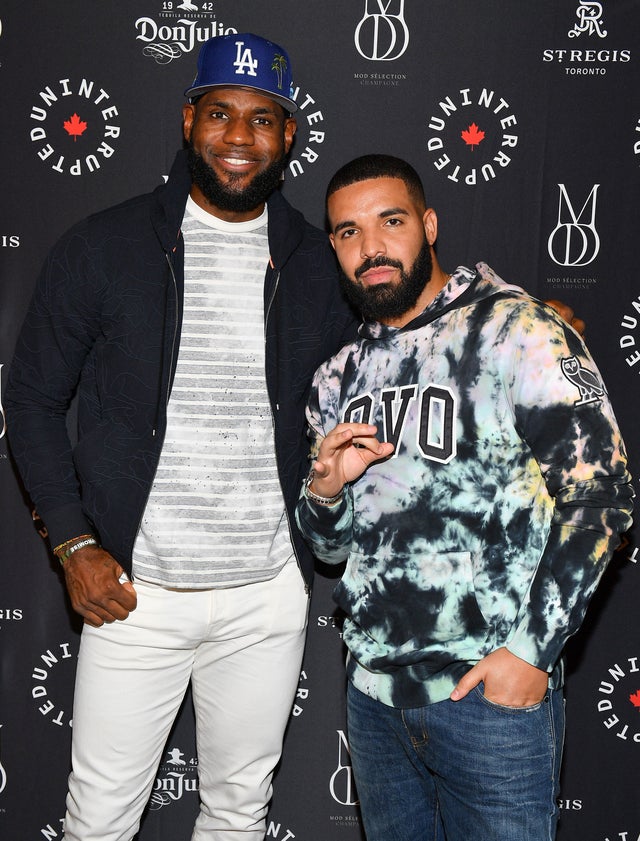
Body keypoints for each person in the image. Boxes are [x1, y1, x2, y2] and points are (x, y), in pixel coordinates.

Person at [5, 33, 358, 841]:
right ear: (188, 118)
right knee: (98, 822)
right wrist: (72, 543)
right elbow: (29, 400)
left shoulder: (317, 262)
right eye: (222, 115)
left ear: (289, 135)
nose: (240, 139)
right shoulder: (104, 246)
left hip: (266, 595)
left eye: (262, 119)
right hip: (137, 596)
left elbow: (409, 319)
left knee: (238, 814)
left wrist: (516, 321)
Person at [295, 154, 633, 841]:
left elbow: (603, 499)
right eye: (348, 233)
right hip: (374, 697)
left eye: (390, 222)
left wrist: (532, 651)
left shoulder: (518, 330)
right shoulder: (338, 376)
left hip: (486, 694)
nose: (372, 249)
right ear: (333, 246)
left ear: (428, 224)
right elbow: (329, 551)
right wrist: (324, 490)